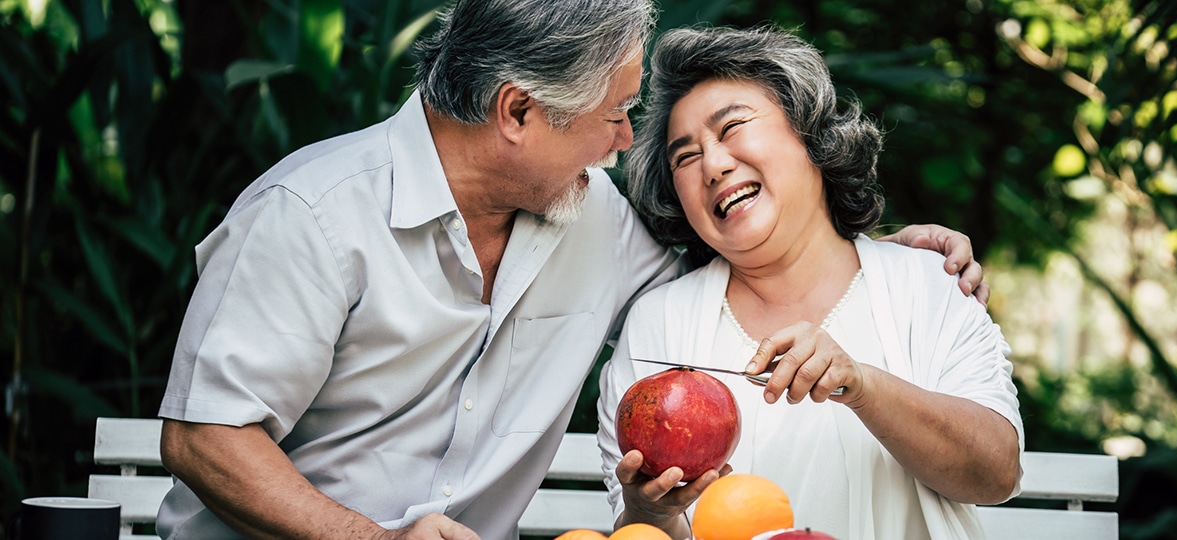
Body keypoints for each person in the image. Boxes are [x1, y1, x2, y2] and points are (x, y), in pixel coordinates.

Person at [155, 2, 987, 538]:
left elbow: (750, 241)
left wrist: (881, 246)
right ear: (518, 111)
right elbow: (204, 436)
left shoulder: (595, 216)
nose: (629, 142)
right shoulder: (311, 214)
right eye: (615, 115)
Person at [597, 25, 1023, 540]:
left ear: (810, 134)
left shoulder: (930, 283)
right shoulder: (659, 326)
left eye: (731, 128)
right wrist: (653, 513)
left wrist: (862, 385)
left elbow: (997, 473)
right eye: (685, 157)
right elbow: (639, 531)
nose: (711, 164)